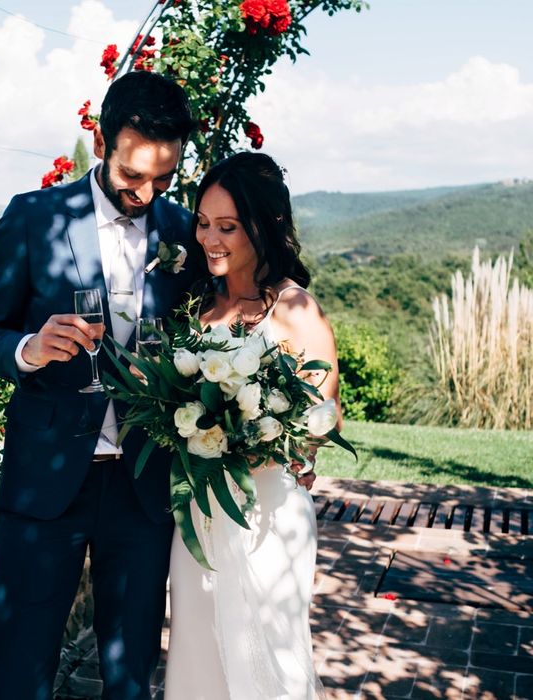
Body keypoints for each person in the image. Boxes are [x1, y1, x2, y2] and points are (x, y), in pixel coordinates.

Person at [0, 71, 196, 699]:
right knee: (20, 667)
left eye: (164, 179)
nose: (147, 193)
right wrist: (31, 349)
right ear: (99, 141)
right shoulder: (33, 218)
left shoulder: (183, 232)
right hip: (45, 483)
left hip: (141, 485)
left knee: (131, 670)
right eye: (133, 177)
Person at [164, 152, 337, 700]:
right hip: (200, 515)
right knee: (198, 653)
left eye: (227, 227)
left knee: (272, 661)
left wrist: (253, 440)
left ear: (264, 227)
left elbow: (323, 420)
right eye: (203, 223)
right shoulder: (195, 307)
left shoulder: (295, 311)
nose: (209, 238)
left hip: (268, 517)